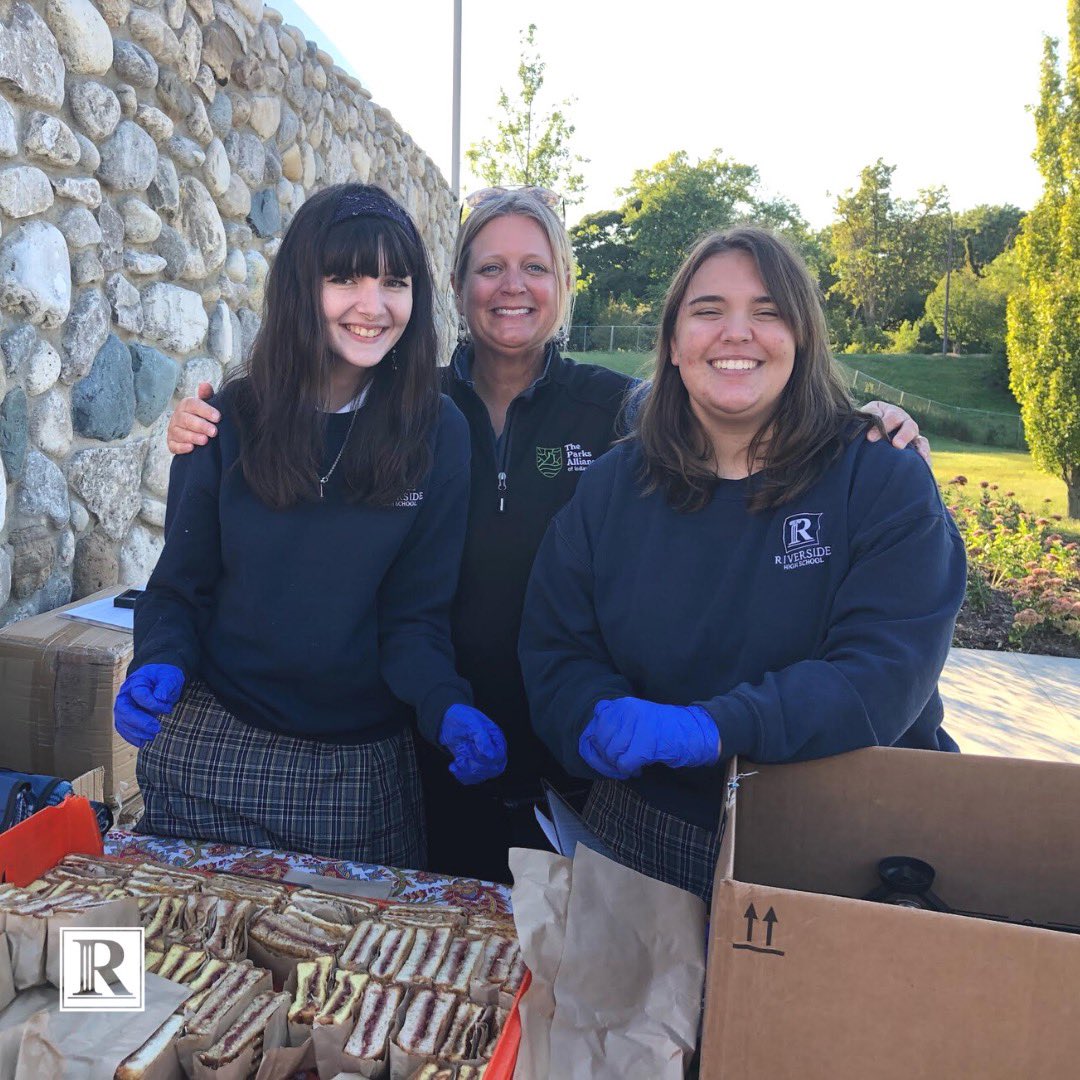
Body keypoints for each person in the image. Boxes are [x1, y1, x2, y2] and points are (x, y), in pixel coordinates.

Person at [165, 190, 930, 884]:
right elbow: (298, 448)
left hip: (591, 776)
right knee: (434, 968)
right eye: (490, 266)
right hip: (433, 742)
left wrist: (866, 424)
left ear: (565, 283)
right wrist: (212, 421)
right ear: (457, 290)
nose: (512, 285)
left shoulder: (622, 418)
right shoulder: (409, 412)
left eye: (535, 265)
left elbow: (733, 394)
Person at [518, 227, 967, 901]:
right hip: (643, 827)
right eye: (708, 311)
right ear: (673, 343)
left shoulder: (879, 477)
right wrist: (587, 711)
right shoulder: (613, 487)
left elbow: (881, 674)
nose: (737, 333)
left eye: (767, 311)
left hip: (838, 839)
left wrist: (711, 728)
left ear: (803, 338)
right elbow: (556, 646)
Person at [113, 184, 506, 868]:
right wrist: (160, 661)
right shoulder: (225, 418)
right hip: (211, 748)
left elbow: (415, 617)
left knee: (348, 974)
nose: (372, 304)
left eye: (394, 281)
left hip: (354, 770)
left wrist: (447, 706)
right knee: (178, 968)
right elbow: (178, 589)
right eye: (344, 278)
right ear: (303, 286)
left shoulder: (438, 431)